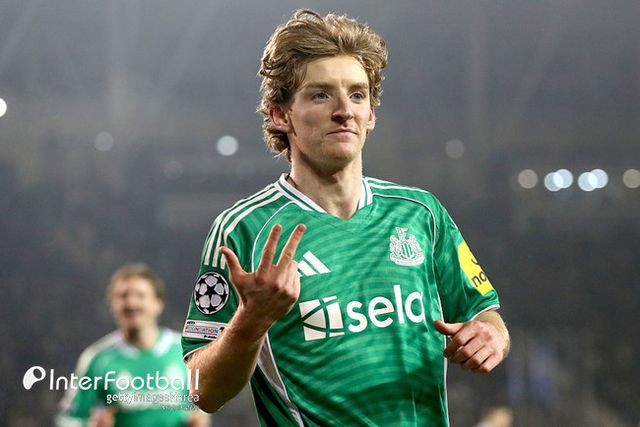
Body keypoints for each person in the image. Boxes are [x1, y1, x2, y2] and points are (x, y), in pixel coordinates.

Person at [182, 9, 510, 426]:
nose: (344, 110)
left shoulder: (421, 213)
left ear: (371, 115)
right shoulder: (242, 230)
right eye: (321, 95)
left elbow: (485, 313)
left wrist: (492, 334)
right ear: (280, 115)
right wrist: (252, 319)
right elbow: (200, 391)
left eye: (357, 95)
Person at [56, 263, 209, 427]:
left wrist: (199, 419)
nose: (131, 303)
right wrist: (90, 425)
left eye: (140, 295)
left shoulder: (186, 352)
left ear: (158, 303)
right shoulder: (98, 359)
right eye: (123, 296)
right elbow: (67, 419)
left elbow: (202, 408)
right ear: (112, 305)